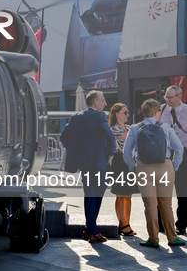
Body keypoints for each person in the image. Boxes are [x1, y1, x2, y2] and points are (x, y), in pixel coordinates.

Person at [123, 99, 185, 248]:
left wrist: (134, 168)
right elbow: (179, 149)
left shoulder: (135, 128)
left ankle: (153, 238)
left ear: (143, 113)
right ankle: (172, 237)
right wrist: (174, 165)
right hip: (165, 166)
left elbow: (127, 153)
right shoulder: (165, 127)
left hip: (144, 168)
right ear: (157, 113)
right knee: (166, 205)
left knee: (150, 206)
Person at [61, 90, 115, 244]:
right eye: (103, 100)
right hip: (99, 163)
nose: (105, 103)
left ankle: (90, 229)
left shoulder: (76, 117)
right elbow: (110, 136)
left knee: (90, 195)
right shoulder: (100, 116)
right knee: (96, 195)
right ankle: (92, 231)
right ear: (95, 102)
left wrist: (76, 151)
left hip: (84, 164)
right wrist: (110, 154)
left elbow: (63, 137)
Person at [108, 103, 139, 236]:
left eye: (127, 112)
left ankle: (127, 223)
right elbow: (131, 140)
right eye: (125, 112)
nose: (127, 115)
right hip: (119, 161)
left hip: (129, 162)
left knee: (128, 195)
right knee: (121, 194)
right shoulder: (114, 129)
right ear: (117, 114)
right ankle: (123, 224)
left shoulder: (128, 127)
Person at [160, 85, 187, 235]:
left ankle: (181, 224)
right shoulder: (162, 109)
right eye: (166, 97)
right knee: (163, 188)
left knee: (182, 190)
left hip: (184, 152)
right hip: (165, 154)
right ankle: (162, 223)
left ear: (179, 97)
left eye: (170, 97)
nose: (167, 100)